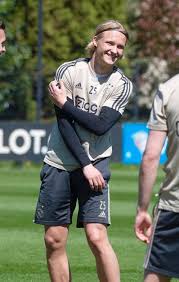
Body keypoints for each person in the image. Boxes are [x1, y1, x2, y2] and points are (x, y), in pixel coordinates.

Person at [34, 19, 133, 282]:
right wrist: (83, 164)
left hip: (97, 163)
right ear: (96, 41)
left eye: (120, 46)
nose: (115, 50)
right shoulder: (68, 70)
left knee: (97, 236)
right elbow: (64, 125)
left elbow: (100, 126)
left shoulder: (122, 85)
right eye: (110, 42)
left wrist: (65, 103)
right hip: (59, 162)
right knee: (54, 239)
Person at [134, 74, 179, 282]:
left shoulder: (169, 89)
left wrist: (142, 209)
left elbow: (151, 157)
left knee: (156, 275)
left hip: (173, 205)